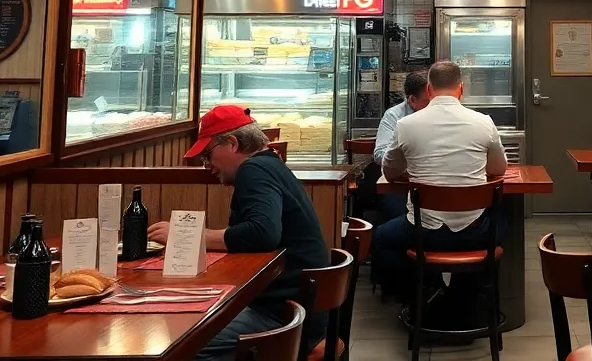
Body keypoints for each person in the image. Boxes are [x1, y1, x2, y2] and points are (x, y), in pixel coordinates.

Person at [148, 105, 329, 361]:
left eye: (208, 155)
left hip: (282, 315)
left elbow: (263, 233)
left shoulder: (254, 169)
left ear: (232, 143)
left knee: (182, 349)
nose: (207, 165)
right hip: (296, 307)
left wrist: (185, 235)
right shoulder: (269, 163)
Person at [373, 61, 508, 308]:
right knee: (503, 219)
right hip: (474, 232)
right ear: (461, 89)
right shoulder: (483, 122)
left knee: (380, 237)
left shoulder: (406, 125)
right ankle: (462, 300)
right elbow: (499, 170)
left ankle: (419, 297)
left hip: (424, 233)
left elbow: (390, 173)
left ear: (429, 88)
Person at [370, 70, 431, 220]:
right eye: (428, 100)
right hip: (400, 184)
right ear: (412, 100)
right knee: (400, 219)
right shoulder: (394, 116)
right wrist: (406, 163)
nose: (433, 104)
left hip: (434, 183)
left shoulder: (441, 115)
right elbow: (379, 154)